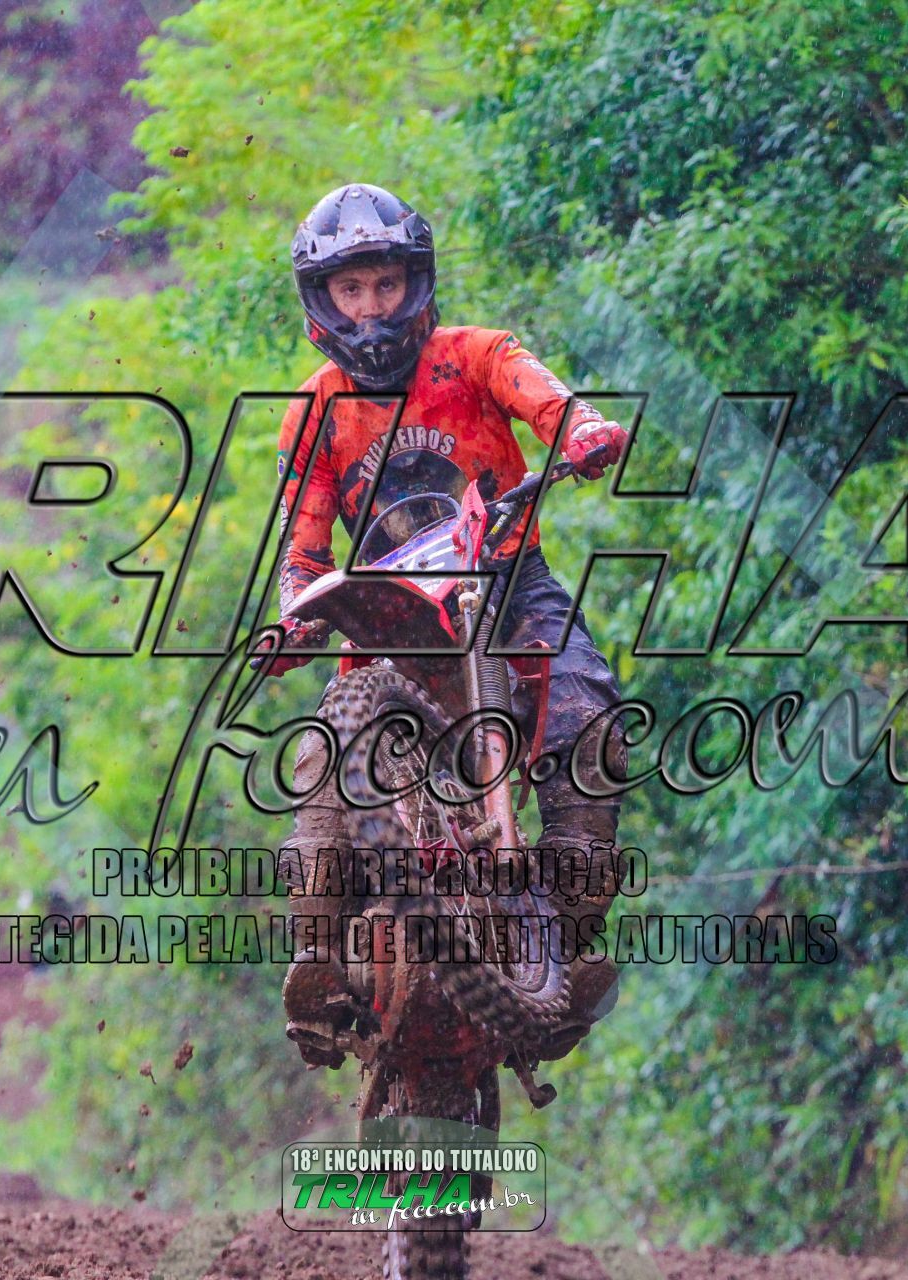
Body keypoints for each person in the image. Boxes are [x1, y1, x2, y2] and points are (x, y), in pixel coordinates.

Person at [267, 182, 630, 1068]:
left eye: (386, 284)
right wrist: (293, 617)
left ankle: (566, 947)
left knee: (590, 723)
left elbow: (546, 397)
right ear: (323, 300)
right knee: (321, 759)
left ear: (416, 282)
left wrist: (582, 430)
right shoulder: (316, 410)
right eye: (351, 289)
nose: (370, 308)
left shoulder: (474, 356)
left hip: (507, 582)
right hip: (387, 610)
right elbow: (302, 546)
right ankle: (319, 966)